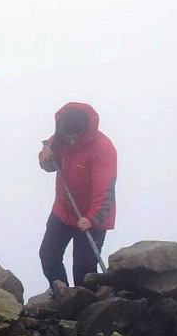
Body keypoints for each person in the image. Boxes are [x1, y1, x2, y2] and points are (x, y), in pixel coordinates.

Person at [38, 103, 117, 288]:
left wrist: (91, 218)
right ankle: (63, 296)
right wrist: (47, 157)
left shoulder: (103, 149)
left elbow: (105, 191)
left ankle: (86, 307)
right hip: (63, 211)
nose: (71, 142)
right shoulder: (60, 138)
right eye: (68, 139)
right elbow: (48, 163)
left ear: (84, 132)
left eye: (75, 139)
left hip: (93, 217)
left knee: (84, 270)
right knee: (48, 255)